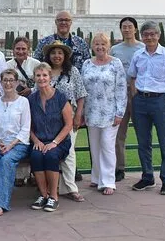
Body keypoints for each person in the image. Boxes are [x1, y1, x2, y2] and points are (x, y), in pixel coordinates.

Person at [33, 10, 90, 182]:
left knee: (68, 147)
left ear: (71, 22)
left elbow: (85, 72)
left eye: (67, 20)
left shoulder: (80, 43)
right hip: (47, 110)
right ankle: (53, 182)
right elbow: (37, 69)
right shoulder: (44, 43)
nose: (64, 23)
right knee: (50, 145)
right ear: (55, 22)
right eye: (60, 20)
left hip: (70, 108)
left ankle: (68, 183)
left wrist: (79, 112)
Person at [128, 21, 165, 195]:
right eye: (146, 35)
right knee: (143, 142)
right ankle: (147, 177)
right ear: (142, 36)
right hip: (141, 101)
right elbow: (132, 77)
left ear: (158, 35)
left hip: (160, 101)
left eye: (153, 34)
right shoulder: (138, 55)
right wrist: (135, 96)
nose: (149, 37)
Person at [0, 69, 31, 216]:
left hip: (18, 144)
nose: (8, 83)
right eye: (5, 80)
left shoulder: (23, 102)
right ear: (1, 82)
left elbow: (25, 128)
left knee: (6, 161)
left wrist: (11, 145)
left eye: (11, 80)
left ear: (16, 82)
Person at [81, 33, 127, 195]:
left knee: (107, 145)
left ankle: (108, 181)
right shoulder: (87, 63)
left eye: (103, 44)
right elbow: (82, 89)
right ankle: (96, 177)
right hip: (91, 111)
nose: (100, 47)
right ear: (92, 46)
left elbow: (121, 88)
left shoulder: (115, 63)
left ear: (108, 46)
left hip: (110, 112)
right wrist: (81, 111)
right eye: (96, 44)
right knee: (94, 146)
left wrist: (120, 112)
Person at [43, 40, 87, 202]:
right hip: (48, 118)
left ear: (65, 55)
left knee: (68, 151)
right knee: (50, 150)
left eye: (60, 53)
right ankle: (50, 188)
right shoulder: (44, 71)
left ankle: (70, 187)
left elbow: (81, 94)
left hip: (69, 116)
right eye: (54, 53)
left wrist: (78, 115)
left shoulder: (72, 71)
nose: (57, 56)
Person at [28, 63, 73, 212]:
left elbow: (68, 124)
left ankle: (53, 196)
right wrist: (36, 140)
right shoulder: (31, 100)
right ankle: (43, 195)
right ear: (34, 78)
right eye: (38, 75)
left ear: (50, 77)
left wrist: (54, 142)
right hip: (39, 140)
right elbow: (27, 126)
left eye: (44, 75)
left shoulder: (60, 97)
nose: (41, 78)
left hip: (59, 141)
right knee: (36, 155)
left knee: (51, 156)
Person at [110, 17, 145, 182]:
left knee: (142, 134)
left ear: (135, 29)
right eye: (124, 27)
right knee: (118, 134)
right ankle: (119, 168)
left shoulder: (143, 48)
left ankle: (146, 170)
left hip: (139, 95)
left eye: (130, 27)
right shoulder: (115, 50)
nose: (127, 29)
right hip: (120, 95)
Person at [5, 36, 38, 186]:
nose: (20, 51)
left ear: (29, 50)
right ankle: (19, 175)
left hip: (33, 104)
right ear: (13, 50)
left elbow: (42, 81)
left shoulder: (35, 64)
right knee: (18, 136)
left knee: (33, 136)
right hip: (16, 105)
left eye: (24, 48)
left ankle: (34, 173)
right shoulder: (8, 65)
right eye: (18, 48)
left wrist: (31, 90)